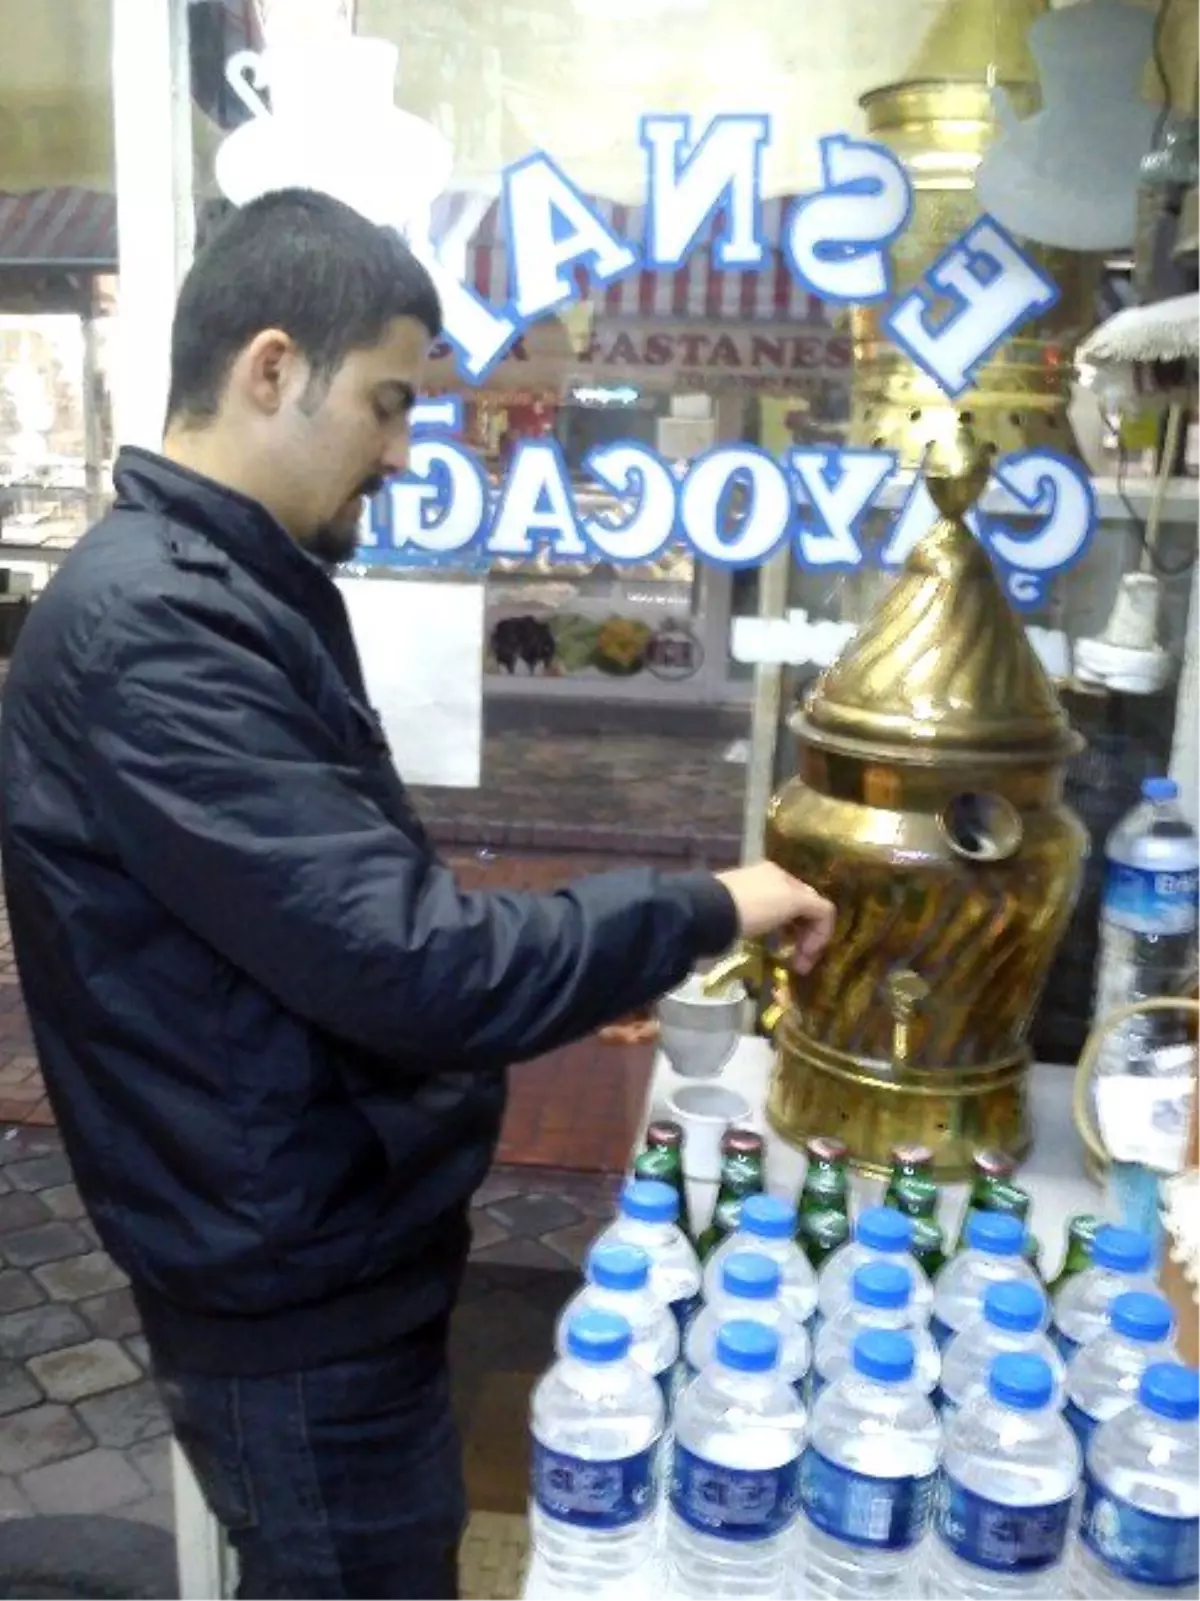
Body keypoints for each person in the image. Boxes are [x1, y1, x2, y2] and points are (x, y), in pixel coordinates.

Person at [0, 189, 835, 1599]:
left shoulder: (228, 585)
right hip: (291, 1285)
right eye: (385, 404)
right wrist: (706, 904)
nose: (399, 451)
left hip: (317, 1238)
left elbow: (344, 920)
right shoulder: (158, 628)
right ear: (271, 368)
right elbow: (416, 964)